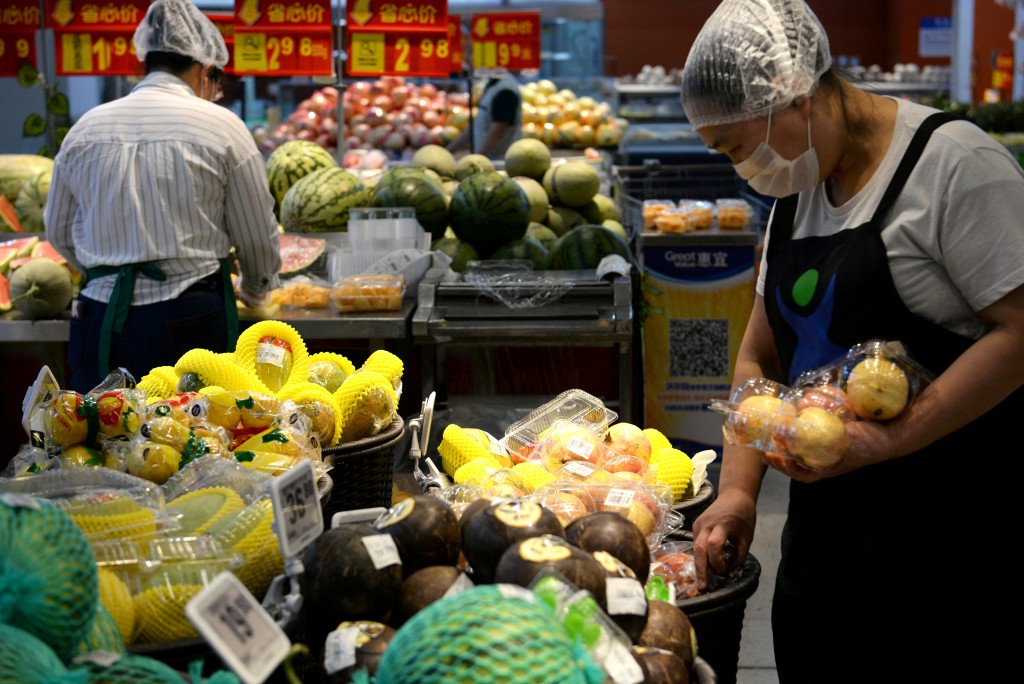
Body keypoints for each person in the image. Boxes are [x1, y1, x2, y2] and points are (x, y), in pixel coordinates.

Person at [681, 0, 1024, 680]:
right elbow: (761, 355)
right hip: (828, 549)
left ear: (795, 97)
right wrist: (739, 493)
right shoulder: (797, 185)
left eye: (738, 146)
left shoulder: (954, 166)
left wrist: (891, 438)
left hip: (954, 546)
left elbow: (1020, 330)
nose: (740, 168)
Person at [45, 0, 281, 393]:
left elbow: (58, 232)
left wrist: (108, 269)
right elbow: (257, 233)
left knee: (98, 443)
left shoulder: (85, 128)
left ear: (147, 61)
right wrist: (256, 289)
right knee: (195, 443)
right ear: (207, 71)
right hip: (188, 318)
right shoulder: (222, 127)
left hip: (98, 318)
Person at [448, 72, 522, 158]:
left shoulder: (506, 90)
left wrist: (479, 158)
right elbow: (475, 125)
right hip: (488, 160)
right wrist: (449, 150)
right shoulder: (492, 83)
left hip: (498, 162)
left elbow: (498, 130)